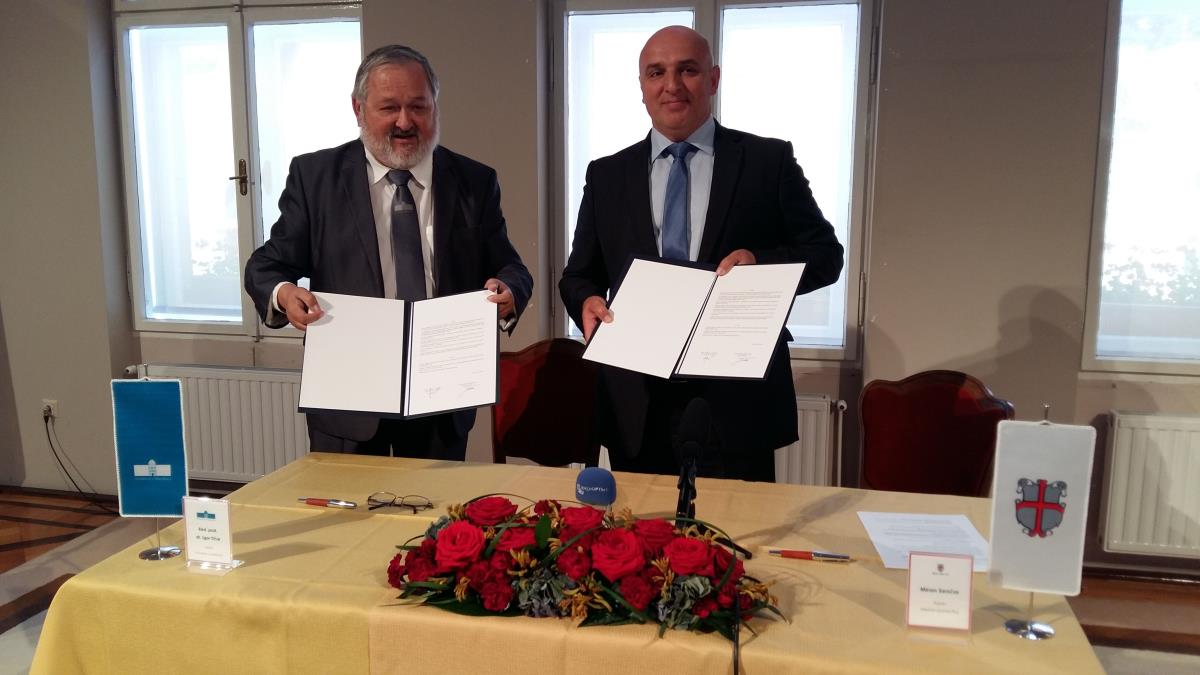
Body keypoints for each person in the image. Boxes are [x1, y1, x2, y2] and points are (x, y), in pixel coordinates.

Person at [558, 26, 843, 481]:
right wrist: (586, 301)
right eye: (657, 73)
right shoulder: (607, 175)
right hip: (637, 402)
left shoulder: (767, 162)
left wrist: (759, 264)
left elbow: (826, 256)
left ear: (713, 79)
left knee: (738, 526)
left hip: (737, 402)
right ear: (642, 87)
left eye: (687, 70)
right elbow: (578, 276)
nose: (672, 85)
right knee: (642, 527)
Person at [245, 44, 532, 460]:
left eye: (418, 106)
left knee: (436, 505)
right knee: (349, 505)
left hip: (442, 394)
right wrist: (284, 294)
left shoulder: (474, 180)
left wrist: (509, 289)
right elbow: (266, 266)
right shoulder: (315, 178)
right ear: (358, 109)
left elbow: (510, 266)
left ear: (435, 107)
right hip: (349, 399)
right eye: (389, 108)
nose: (404, 121)